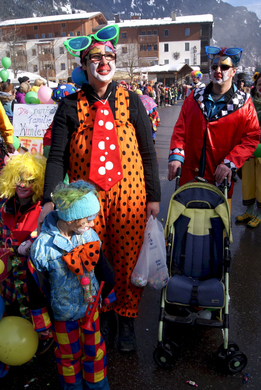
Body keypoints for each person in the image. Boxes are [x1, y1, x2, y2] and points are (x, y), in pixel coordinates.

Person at [38, 24, 161, 352]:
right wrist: (49, 199)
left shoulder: (133, 101)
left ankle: (128, 320)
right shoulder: (69, 107)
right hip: (86, 202)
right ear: (83, 66)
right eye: (96, 56)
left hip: (131, 197)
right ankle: (103, 313)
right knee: (93, 256)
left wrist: (154, 197)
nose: (104, 61)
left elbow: (148, 152)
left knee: (129, 258)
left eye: (109, 55)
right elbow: (56, 159)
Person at [28, 180, 115, 390]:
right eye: (87, 220)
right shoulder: (42, 247)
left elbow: (102, 266)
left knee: (94, 351)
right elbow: (36, 286)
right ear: (69, 219)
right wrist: (42, 321)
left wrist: (108, 294)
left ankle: (98, 386)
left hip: (90, 308)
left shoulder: (88, 235)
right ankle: (72, 387)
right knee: (68, 355)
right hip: (62, 314)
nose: (92, 224)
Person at [168, 46, 260, 201]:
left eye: (224, 67)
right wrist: (176, 156)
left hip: (220, 181)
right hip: (189, 179)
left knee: (217, 224)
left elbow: (251, 137)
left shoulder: (244, 104)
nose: (218, 70)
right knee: (184, 223)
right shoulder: (194, 97)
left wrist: (230, 163)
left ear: (233, 71)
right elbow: (180, 130)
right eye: (214, 66)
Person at [0, 152, 53, 355]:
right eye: (18, 179)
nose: (22, 185)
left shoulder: (42, 209)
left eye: (29, 180)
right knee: (10, 306)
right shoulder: (4, 206)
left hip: (31, 275)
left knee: (34, 308)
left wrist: (33, 240)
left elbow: (49, 233)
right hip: (7, 276)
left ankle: (42, 337)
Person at [236, 71, 261, 227]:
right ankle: (250, 211)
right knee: (248, 182)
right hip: (249, 147)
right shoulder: (249, 102)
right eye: (260, 84)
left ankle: (259, 214)